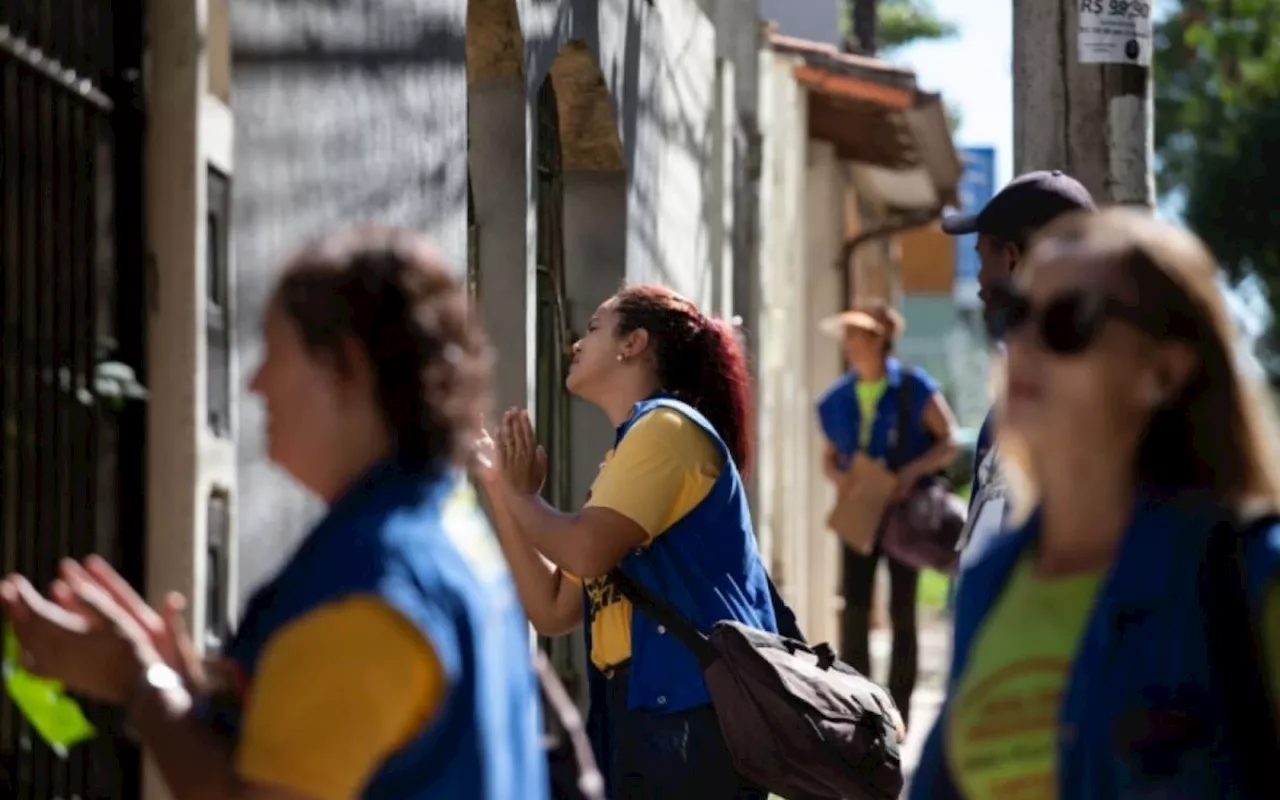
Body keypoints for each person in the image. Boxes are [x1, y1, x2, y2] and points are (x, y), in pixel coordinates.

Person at [0, 227, 547, 800]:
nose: (255, 384)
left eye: (274, 351)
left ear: (347, 367)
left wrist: (140, 683)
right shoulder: (445, 526)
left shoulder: (368, 590)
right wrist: (196, 684)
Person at [910, 208, 1280, 798]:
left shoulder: (1250, 577)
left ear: (1163, 371)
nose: (1022, 345)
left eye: (1067, 321)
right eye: (1015, 314)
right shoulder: (992, 583)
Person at [473, 284, 776, 799]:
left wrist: (524, 498)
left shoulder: (666, 430)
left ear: (632, 343)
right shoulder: (628, 456)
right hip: (635, 706)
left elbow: (584, 551)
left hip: (687, 712)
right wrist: (503, 492)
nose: (576, 343)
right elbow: (551, 610)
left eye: (593, 328)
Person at [941, 170, 1096, 571]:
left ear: (1011, 258)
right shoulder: (1034, 395)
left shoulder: (1065, 406)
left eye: (981, 256)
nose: (978, 279)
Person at [815, 301, 959, 725]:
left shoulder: (914, 387)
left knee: (902, 612)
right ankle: (862, 712)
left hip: (902, 516)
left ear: (879, 340)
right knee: (855, 610)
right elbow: (829, 457)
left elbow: (948, 440)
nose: (849, 343)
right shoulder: (837, 397)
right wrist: (837, 478)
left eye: (857, 334)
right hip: (859, 512)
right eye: (847, 335)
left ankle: (900, 716)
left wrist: (912, 472)